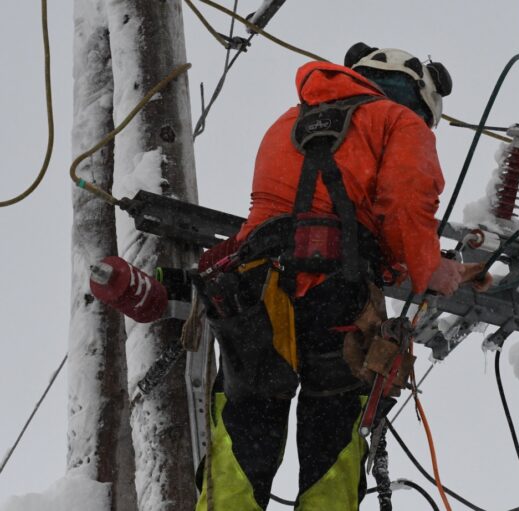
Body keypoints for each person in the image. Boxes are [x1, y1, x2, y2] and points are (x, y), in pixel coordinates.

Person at [194, 43, 489, 511]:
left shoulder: (287, 122)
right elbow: (406, 203)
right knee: (334, 430)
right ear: (421, 95)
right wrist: (432, 268)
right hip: (335, 294)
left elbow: (278, 213)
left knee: (245, 425)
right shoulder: (399, 122)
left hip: (254, 290)